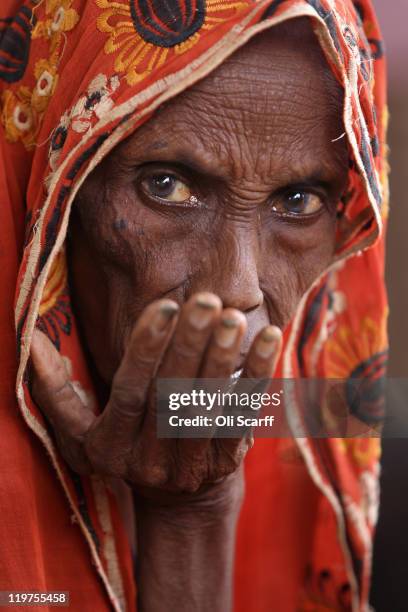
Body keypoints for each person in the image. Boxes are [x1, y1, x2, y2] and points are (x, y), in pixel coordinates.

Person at [0, 0, 388, 610]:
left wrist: (193, 514)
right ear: (51, 188)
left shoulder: (348, 456)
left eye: (298, 200)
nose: (236, 290)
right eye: (167, 185)